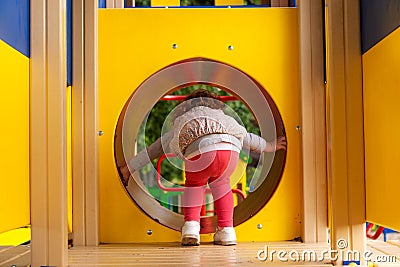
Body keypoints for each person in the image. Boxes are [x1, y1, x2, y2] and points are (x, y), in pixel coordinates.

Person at [119, 89, 286, 246]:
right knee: (223, 187)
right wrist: (271, 146)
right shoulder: (224, 118)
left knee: (194, 186)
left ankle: (191, 227)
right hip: (229, 151)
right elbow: (249, 138)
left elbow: (154, 149)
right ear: (215, 105)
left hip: (199, 152)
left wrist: (128, 168)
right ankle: (227, 230)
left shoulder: (184, 120)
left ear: (185, 108)